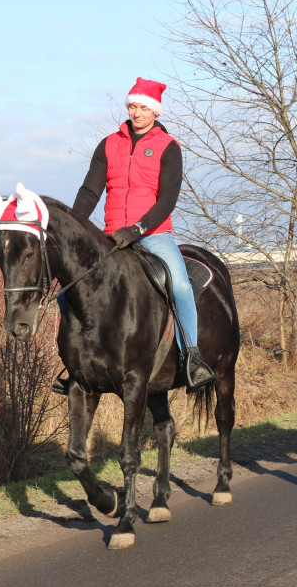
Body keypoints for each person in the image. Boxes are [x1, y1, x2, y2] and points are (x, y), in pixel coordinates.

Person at [67, 77, 214, 393]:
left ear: (155, 112)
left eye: (143, 108)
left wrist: (138, 229)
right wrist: (75, 225)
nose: (137, 113)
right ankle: (74, 363)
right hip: (111, 235)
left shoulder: (168, 147)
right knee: (70, 284)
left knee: (182, 287)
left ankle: (192, 357)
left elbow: (168, 198)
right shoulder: (109, 144)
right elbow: (90, 189)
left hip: (152, 235)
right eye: (132, 106)